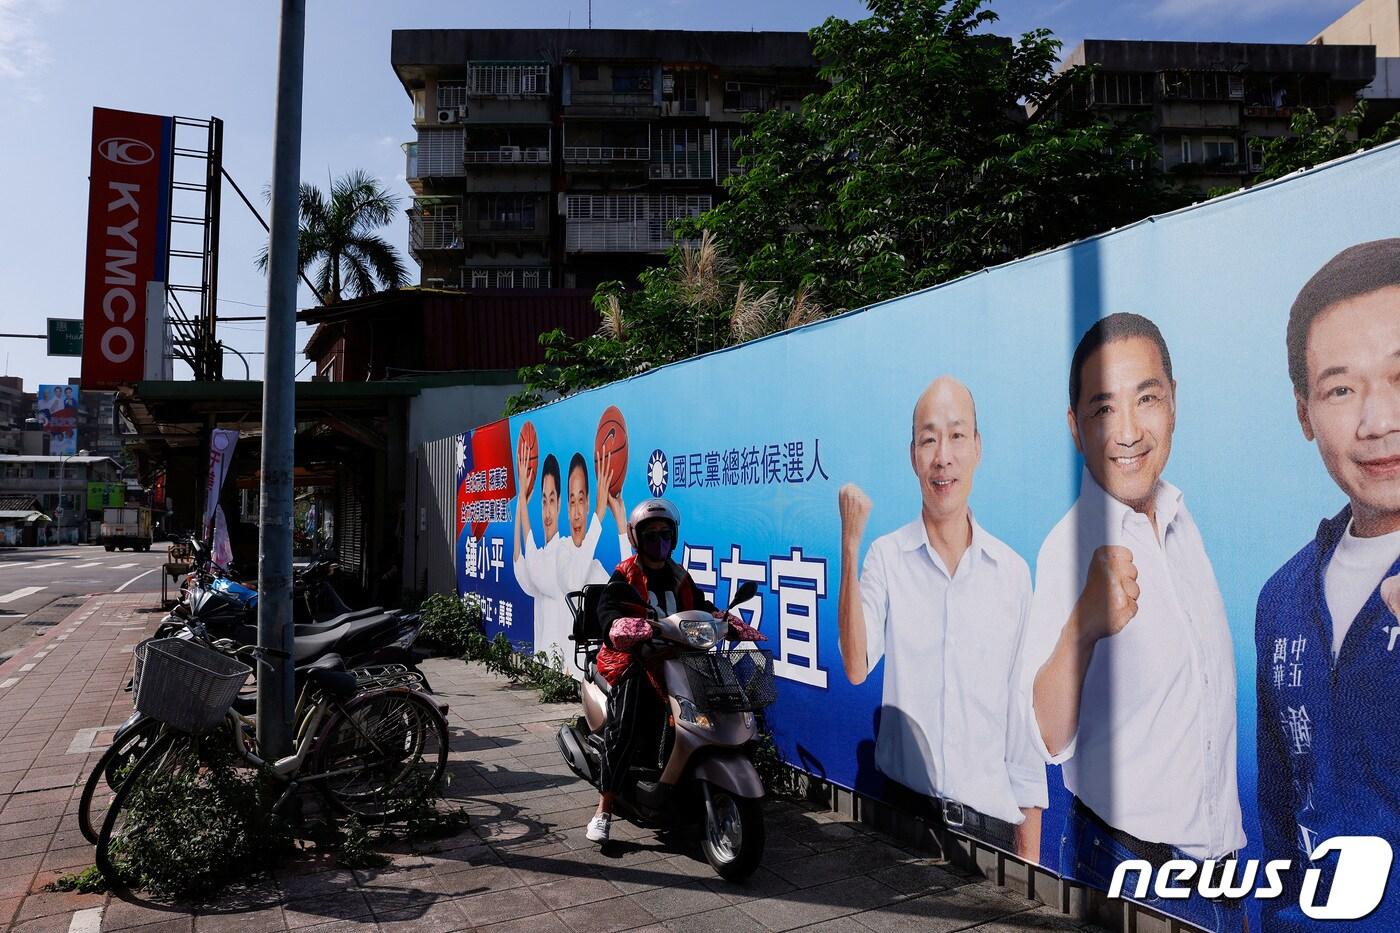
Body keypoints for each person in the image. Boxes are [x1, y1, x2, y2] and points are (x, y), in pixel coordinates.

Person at [1023, 312, 1244, 932]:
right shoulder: (1069, 548)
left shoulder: (1180, 521)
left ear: (1173, 404)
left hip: (1219, 876)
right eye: (1102, 409)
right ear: (1076, 428)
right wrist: (1083, 627)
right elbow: (1044, 734)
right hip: (1128, 872)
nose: (1127, 431)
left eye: (1146, 399)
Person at [836, 376, 1045, 860]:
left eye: (956, 436)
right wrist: (850, 546)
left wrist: (1030, 865)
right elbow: (855, 663)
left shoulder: (1012, 572)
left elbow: (1022, 724)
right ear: (913, 455)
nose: (942, 456)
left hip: (992, 829)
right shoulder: (886, 557)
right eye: (929, 439)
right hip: (904, 816)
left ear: (977, 448)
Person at [1256, 239, 1400, 932]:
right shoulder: (1282, 596)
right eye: (1341, 389)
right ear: (1304, 412)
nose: (1378, 422)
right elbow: (1283, 807)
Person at [585, 498, 763, 844]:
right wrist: (621, 626)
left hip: (681, 660)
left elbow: (701, 607)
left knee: (722, 700)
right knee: (627, 723)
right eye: (650, 535)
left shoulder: (680, 576)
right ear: (636, 539)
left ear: (674, 537)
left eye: (665, 535)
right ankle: (603, 809)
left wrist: (726, 621)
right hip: (636, 659)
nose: (658, 542)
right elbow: (607, 611)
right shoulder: (624, 575)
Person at [513, 451, 571, 658]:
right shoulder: (540, 556)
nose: (547, 511)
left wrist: (522, 501)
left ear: (560, 503)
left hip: (562, 661)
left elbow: (533, 564)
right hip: (543, 656)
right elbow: (519, 561)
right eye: (543, 501)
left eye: (552, 500)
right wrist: (521, 505)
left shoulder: (565, 551)